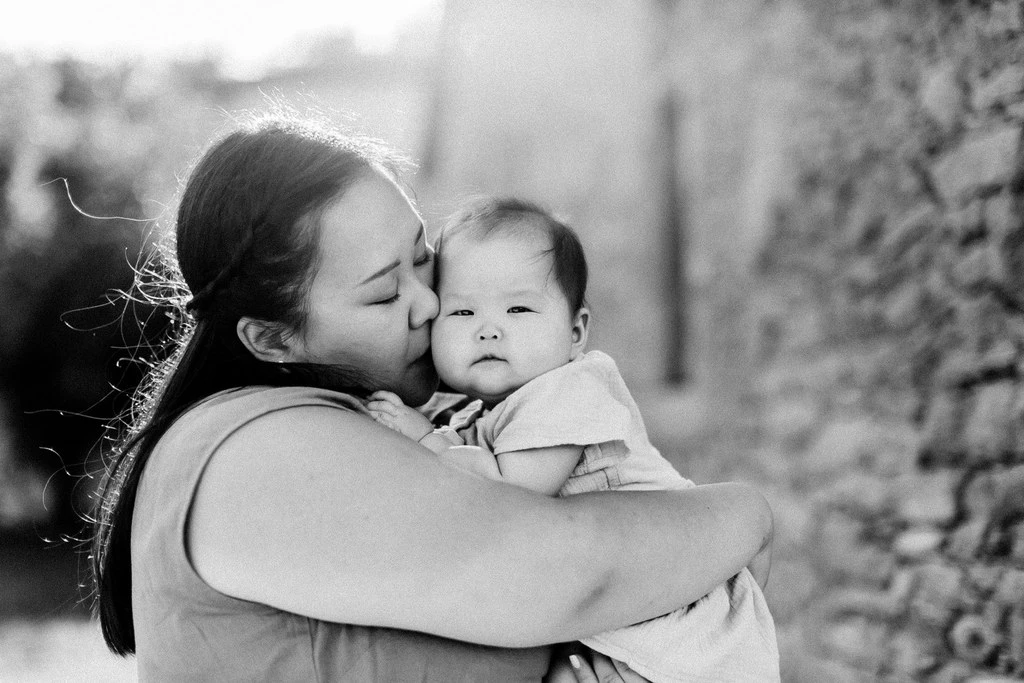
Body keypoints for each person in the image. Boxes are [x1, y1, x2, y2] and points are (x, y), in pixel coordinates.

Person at [91, 112, 774, 682]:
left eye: (424, 257)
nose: (430, 303)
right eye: (386, 292)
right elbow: (567, 575)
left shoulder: (394, 420)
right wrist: (744, 511)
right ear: (273, 339)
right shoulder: (252, 446)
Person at [367, 197, 780, 682]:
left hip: (675, 611)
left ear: (576, 331)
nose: (488, 330)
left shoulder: (570, 390)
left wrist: (422, 437)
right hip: (616, 601)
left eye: (518, 308)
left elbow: (512, 492)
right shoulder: (482, 414)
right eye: (461, 313)